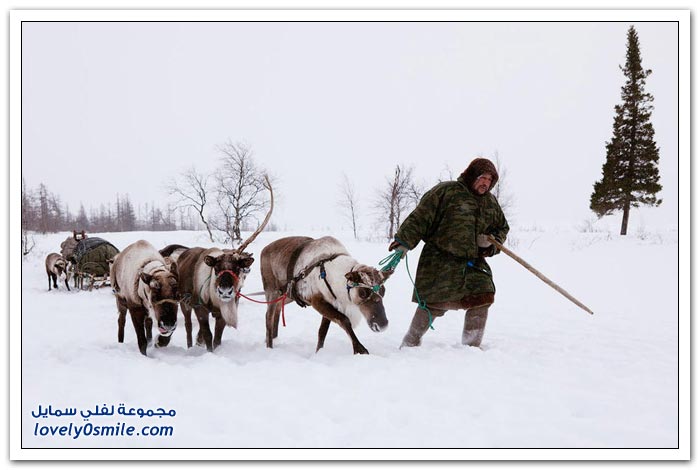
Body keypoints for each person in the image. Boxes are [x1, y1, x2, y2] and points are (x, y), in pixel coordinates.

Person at [389, 157, 509, 348]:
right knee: (433, 303)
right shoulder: (448, 191)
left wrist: (489, 244)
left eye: (490, 179)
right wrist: (404, 242)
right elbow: (421, 216)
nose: (486, 182)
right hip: (440, 260)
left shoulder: (490, 203)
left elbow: (502, 228)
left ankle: (471, 346)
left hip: (472, 262)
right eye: (482, 177)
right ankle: (410, 342)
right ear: (471, 176)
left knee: (483, 295)